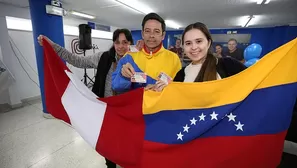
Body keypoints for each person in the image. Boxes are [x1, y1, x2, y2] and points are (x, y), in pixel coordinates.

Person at [38, 28, 141, 168]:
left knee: (126, 140)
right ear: (113, 43)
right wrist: (52, 46)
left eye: (125, 42)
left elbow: (143, 82)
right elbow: (77, 60)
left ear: (130, 43)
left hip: (126, 111)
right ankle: (110, 164)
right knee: (108, 142)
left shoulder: (137, 60)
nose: (121, 46)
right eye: (117, 42)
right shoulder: (103, 57)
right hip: (106, 111)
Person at [152, 22, 246, 91]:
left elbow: (253, 81)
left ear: (208, 43)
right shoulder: (181, 75)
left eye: (199, 41)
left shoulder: (228, 64)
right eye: (188, 43)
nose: (193, 47)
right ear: (183, 46)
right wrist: (164, 90)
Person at [111, 13, 181, 92]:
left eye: (157, 31)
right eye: (147, 31)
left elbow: (180, 89)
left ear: (163, 35)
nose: (151, 35)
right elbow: (115, 86)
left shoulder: (173, 58)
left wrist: (166, 88)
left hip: (163, 103)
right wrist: (123, 76)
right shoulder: (129, 56)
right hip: (137, 103)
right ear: (142, 34)